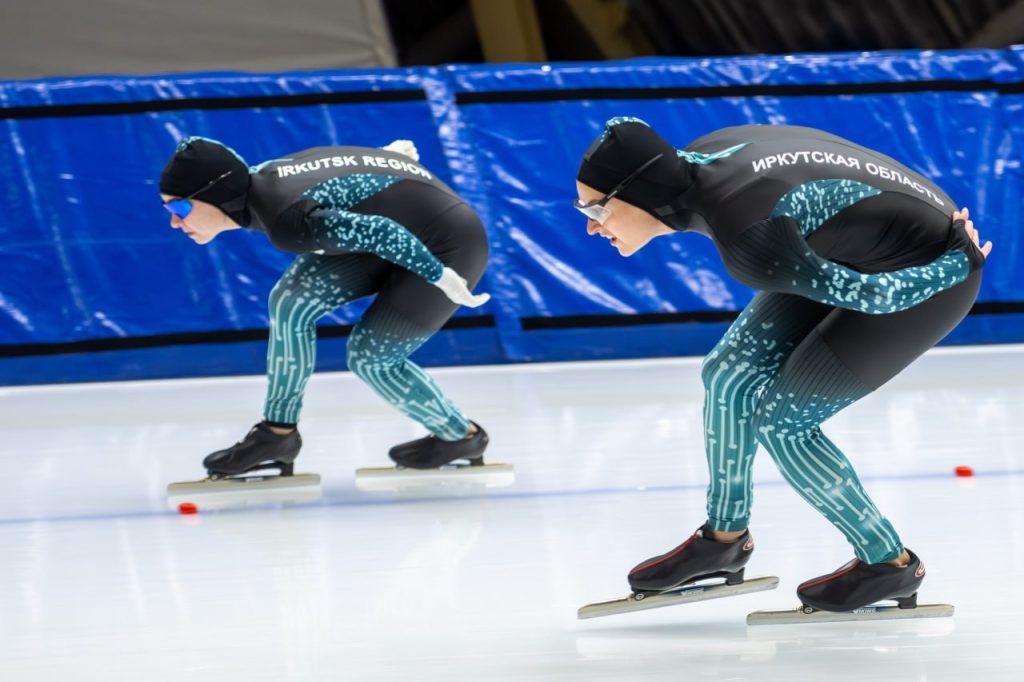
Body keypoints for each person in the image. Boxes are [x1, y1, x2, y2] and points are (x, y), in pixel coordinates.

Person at [574, 117, 991, 613]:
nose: (590, 225)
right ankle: (723, 539)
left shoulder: (749, 235)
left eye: (596, 207)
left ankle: (889, 565)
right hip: (845, 249)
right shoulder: (702, 158)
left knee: (784, 422)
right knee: (727, 375)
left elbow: (874, 297)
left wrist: (957, 260)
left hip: (925, 275)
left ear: (640, 191)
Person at [159, 137, 492, 478]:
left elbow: (381, 231)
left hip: (448, 245)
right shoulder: (255, 181)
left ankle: (459, 436)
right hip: (394, 226)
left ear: (215, 195)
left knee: (371, 357)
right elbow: (335, 176)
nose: (174, 222)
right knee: (291, 303)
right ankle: (276, 435)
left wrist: (441, 277)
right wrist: (383, 163)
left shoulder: (289, 222)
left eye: (180, 209)